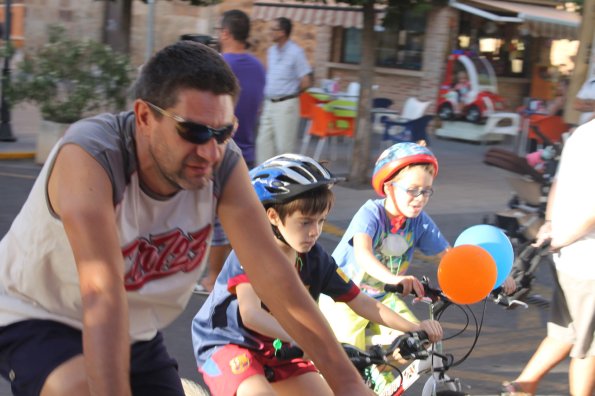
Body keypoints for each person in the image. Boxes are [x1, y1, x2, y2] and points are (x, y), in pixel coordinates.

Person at [0, 41, 371, 396]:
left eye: (223, 132)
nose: (209, 150)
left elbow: (275, 275)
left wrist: (347, 383)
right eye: (192, 131)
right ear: (145, 116)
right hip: (40, 315)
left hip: (134, 326)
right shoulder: (93, 157)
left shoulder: (222, 165)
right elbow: (102, 293)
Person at [192, 154, 443, 396]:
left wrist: (415, 327)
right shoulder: (251, 251)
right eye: (305, 222)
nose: (315, 231)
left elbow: (362, 302)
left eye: (321, 221)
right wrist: (307, 339)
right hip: (228, 344)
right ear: (273, 216)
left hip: (280, 348)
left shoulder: (315, 259)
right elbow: (251, 314)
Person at [320, 142, 517, 351]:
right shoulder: (370, 214)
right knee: (347, 366)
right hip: (343, 300)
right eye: (413, 190)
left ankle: (378, 380)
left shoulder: (418, 221)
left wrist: (493, 277)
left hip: (382, 299)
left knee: (418, 339)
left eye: (426, 191)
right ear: (388, 187)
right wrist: (395, 279)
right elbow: (363, 254)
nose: (420, 199)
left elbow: (451, 256)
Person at [501, 123, 595, 396]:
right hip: (589, 261)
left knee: (565, 331)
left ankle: (522, 386)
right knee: (588, 348)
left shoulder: (582, 133)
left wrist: (550, 226)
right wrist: (564, 236)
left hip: (568, 258)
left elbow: (558, 183)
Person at [197, 9, 266, 293]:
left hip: (218, 145)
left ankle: (213, 277)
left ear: (225, 33)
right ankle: (229, 275)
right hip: (247, 147)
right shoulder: (259, 67)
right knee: (232, 214)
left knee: (217, 218)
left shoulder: (219, 66)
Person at [255, 17, 312, 164]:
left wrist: (291, 94)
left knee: (284, 148)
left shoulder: (296, 52)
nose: (270, 32)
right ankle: (264, 181)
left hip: (286, 104)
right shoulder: (271, 51)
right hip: (269, 103)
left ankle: (285, 182)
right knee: (263, 144)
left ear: (282, 32)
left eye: (274, 29)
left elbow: (306, 81)